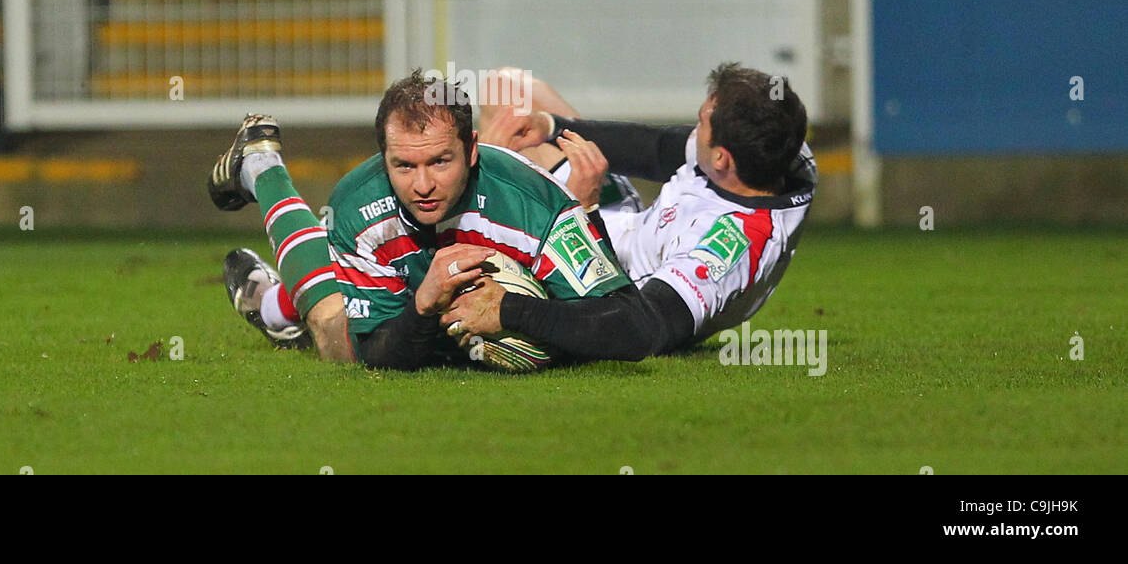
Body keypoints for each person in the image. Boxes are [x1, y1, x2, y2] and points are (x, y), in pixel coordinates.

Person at [206, 70, 635, 370]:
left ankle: (272, 302)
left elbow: (630, 326)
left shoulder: (534, 205)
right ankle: (262, 167)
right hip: (402, 301)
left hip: (486, 289)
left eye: (440, 161)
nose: (423, 184)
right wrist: (422, 307)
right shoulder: (359, 204)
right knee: (330, 332)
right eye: (404, 166)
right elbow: (376, 354)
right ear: (383, 159)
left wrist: (512, 310)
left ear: (471, 150)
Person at [441, 63, 816, 361]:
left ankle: (446, 220)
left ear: (722, 158)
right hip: (622, 226)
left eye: (701, 123)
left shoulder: (722, 253)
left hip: (606, 280)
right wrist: (551, 127)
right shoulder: (780, 149)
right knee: (510, 89)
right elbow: (657, 148)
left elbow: (641, 328)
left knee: (485, 168)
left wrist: (581, 216)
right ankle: (470, 188)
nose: (693, 126)